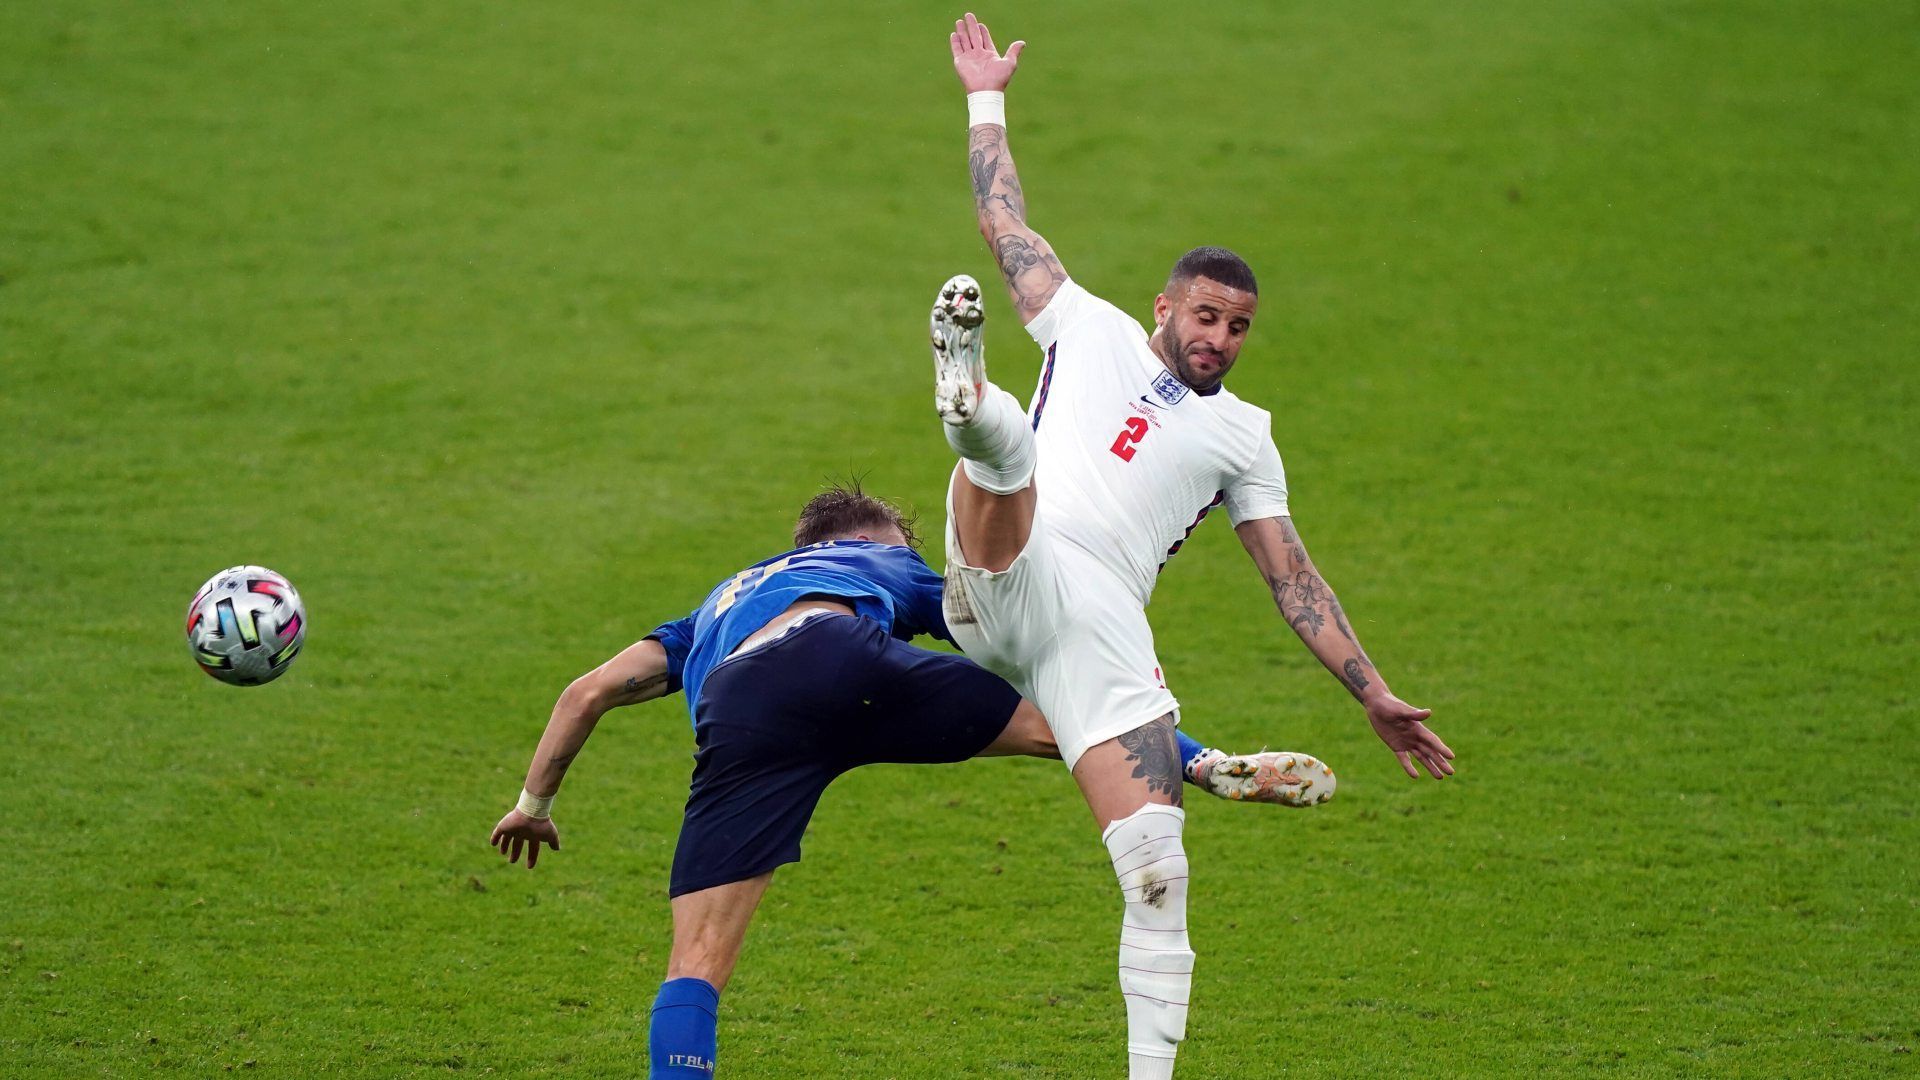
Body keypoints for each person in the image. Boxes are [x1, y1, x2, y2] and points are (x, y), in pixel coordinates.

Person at [934, 14, 1457, 1078]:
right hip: (1009, 565)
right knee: (1008, 463)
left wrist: (1372, 691)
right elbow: (1005, 223)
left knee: (1158, 870)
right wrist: (986, 97)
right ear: (1168, 306)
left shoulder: (1244, 436)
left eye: (1240, 326)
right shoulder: (1089, 325)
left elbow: (1291, 577)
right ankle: (965, 388)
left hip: (1097, 629)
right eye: (1207, 316)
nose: (1220, 338)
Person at [487, 484, 1329, 1079]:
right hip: (838, 658)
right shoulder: (875, 560)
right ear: (868, 539)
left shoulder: (709, 607)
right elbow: (1006, 626)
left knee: (697, 961)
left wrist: (534, 805)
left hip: (740, 711)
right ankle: (1200, 759)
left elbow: (587, 691)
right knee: (1067, 725)